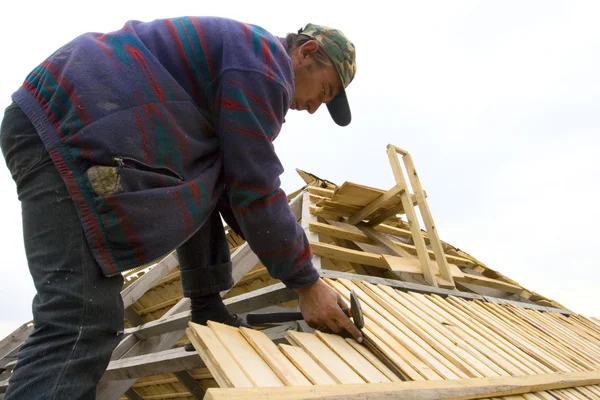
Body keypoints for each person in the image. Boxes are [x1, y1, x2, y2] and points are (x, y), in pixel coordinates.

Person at [0, 15, 361, 399]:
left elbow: (224, 184)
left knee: (206, 173)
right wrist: (306, 282)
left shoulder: (241, 61)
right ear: (306, 52)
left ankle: (207, 305)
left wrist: (213, 306)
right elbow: (254, 186)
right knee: (80, 322)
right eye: (324, 91)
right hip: (68, 126)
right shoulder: (265, 65)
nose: (314, 108)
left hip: (59, 117)